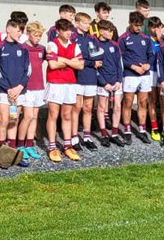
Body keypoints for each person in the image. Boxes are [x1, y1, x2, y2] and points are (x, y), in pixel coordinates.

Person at [45, 18, 85, 162]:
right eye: (65, 30)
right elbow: (52, 65)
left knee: (67, 115)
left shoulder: (74, 45)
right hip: (55, 82)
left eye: (70, 31)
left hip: (70, 83)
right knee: (53, 114)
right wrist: (71, 61)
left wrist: (63, 59)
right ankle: (52, 146)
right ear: (58, 31)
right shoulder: (52, 44)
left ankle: (67, 146)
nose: (68, 33)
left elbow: (80, 65)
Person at [0, 17, 30, 150]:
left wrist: (19, 87)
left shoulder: (24, 48)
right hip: (4, 90)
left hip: (19, 91)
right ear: (8, 29)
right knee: (4, 120)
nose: (20, 33)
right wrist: (8, 88)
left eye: (21, 31)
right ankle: (1, 152)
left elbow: (28, 71)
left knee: (14, 120)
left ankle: (12, 150)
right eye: (18, 30)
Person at [120, 12, 155, 144]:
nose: (138, 28)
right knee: (128, 103)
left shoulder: (145, 38)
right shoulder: (123, 38)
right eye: (136, 25)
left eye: (140, 25)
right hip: (130, 75)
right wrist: (133, 67)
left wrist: (147, 65)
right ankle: (127, 131)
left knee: (142, 103)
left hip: (144, 75)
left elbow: (151, 55)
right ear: (130, 23)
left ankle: (141, 130)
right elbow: (121, 57)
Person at [73, 12, 103, 151]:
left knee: (88, 108)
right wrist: (90, 62)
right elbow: (76, 59)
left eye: (88, 23)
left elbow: (97, 57)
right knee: (76, 108)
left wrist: (89, 61)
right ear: (77, 23)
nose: (87, 26)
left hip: (90, 77)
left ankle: (86, 136)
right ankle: (73, 137)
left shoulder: (92, 39)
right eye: (84, 23)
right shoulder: (73, 38)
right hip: (77, 77)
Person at [93, 20, 125, 147]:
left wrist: (119, 80)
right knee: (101, 108)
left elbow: (119, 64)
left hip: (115, 82)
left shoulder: (115, 45)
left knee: (117, 107)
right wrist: (103, 82)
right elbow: (95, 67)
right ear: (101, 31)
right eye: (109, 31)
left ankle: (115, 134)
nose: (111, 33)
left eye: (112, 31)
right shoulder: (95, 45)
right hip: (103, 83)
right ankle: (104, 134)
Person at [19, 22, 48, 157]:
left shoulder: (42, 49)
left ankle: (30, 145)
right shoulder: (23, 48)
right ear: (28, 34)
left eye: (40, 36)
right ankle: (20, 145)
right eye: (35, 35)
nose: (38, 38)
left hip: (39, 86)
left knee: (35, 117)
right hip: (27, 87)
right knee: (28, 116)